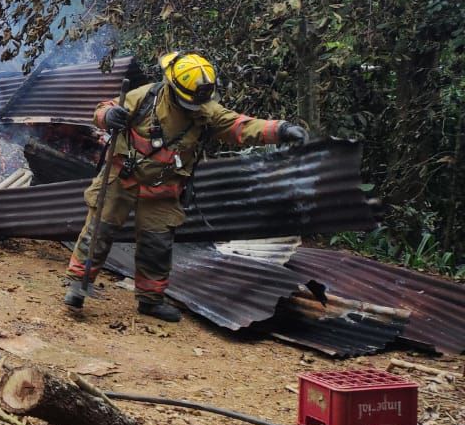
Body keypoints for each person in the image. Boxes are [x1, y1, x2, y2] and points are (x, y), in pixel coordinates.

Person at [64, 52, 307, 320]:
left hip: (163, 186)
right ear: (172, 87)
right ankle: (78, 284)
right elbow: (101, 110)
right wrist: (109, 115)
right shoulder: (145, 97)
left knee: (157, 244)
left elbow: (240, 126)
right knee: (99, 230)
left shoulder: (205, 110)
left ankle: (150, 300)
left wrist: (281, 130)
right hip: (121, 178)